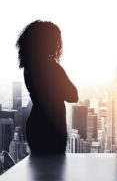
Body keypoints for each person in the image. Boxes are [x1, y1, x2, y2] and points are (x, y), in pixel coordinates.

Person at [16, 20, 78, 154]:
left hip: (36, 124)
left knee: (39, 170)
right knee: (55, 170)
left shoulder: (28, 68)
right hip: (53, 126)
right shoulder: (53, 68)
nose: (58, 45)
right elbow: (73, 96)